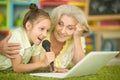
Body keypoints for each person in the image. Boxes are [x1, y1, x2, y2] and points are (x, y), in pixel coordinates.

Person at [0, 3, 55, 73]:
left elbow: (35, 65)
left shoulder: (37, 40)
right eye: (42, 28)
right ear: (28, 26)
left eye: (47, 30)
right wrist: (42, 63)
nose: (45, 34)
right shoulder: (18, 36)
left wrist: (49, 68)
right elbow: (17, 68)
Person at [38, 4, 90, 72]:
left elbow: (81, 66)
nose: (62, 31)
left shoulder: (77, 38)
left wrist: (77, 37)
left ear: (77, 29)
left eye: (70, 28)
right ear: (54, 22)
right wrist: (49, 68)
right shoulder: (42, 33)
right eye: (60, 24)